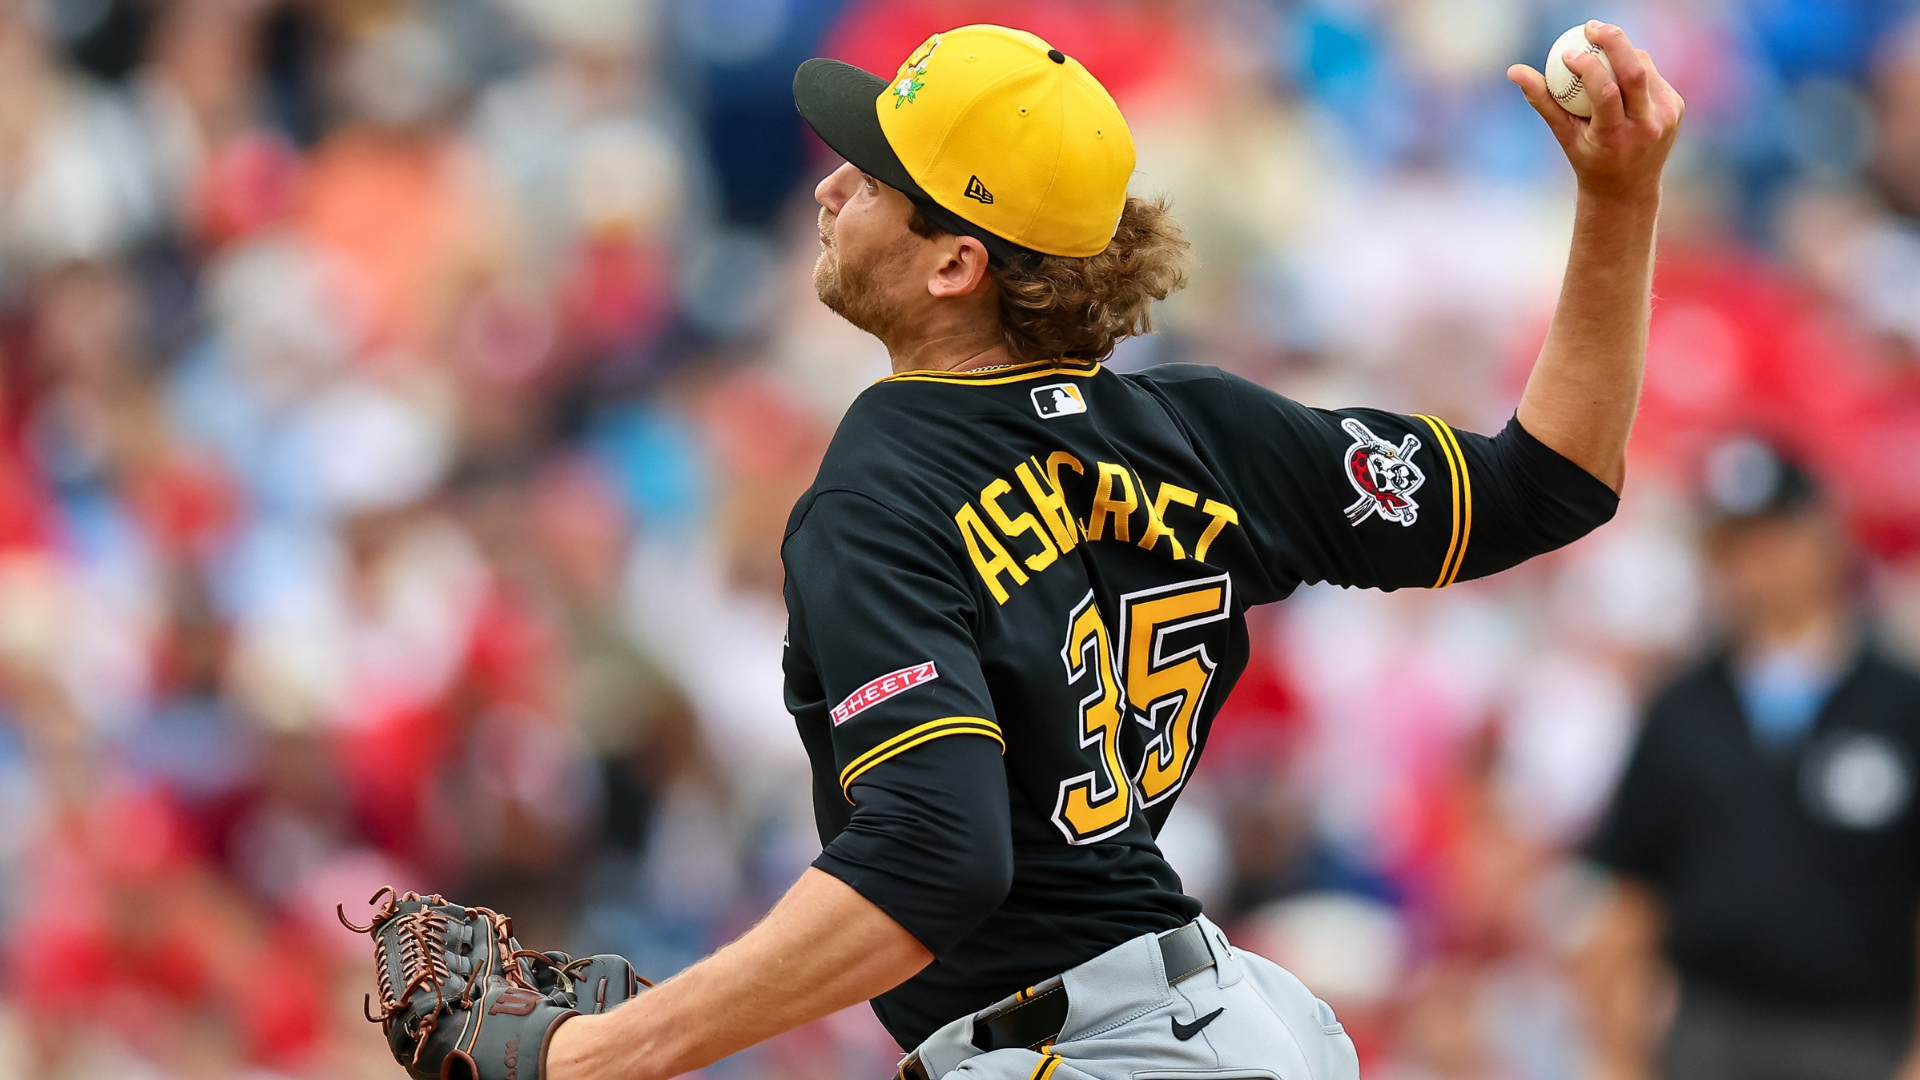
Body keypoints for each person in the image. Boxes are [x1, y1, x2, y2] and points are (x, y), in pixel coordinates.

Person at [545, 20, 1683, 1080]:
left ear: (956, 265)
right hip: (1214, 1027)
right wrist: (1620, 203)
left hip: (1089, 1048)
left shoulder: (885, 484)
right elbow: (1550, 483)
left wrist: (602, 1054)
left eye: (876, 179)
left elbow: (934, 858)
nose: (831, 185)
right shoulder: (1200, 431)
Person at [1581, 437, 1920, 1080]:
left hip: (1858, 1040)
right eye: (1731, 547)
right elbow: (1631, 895)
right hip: (1708, 1033)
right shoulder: (1681, 710)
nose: (1750, 566)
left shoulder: (1901, 706)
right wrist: (1616, 1054)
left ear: (1824, 537)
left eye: (1770, 539)